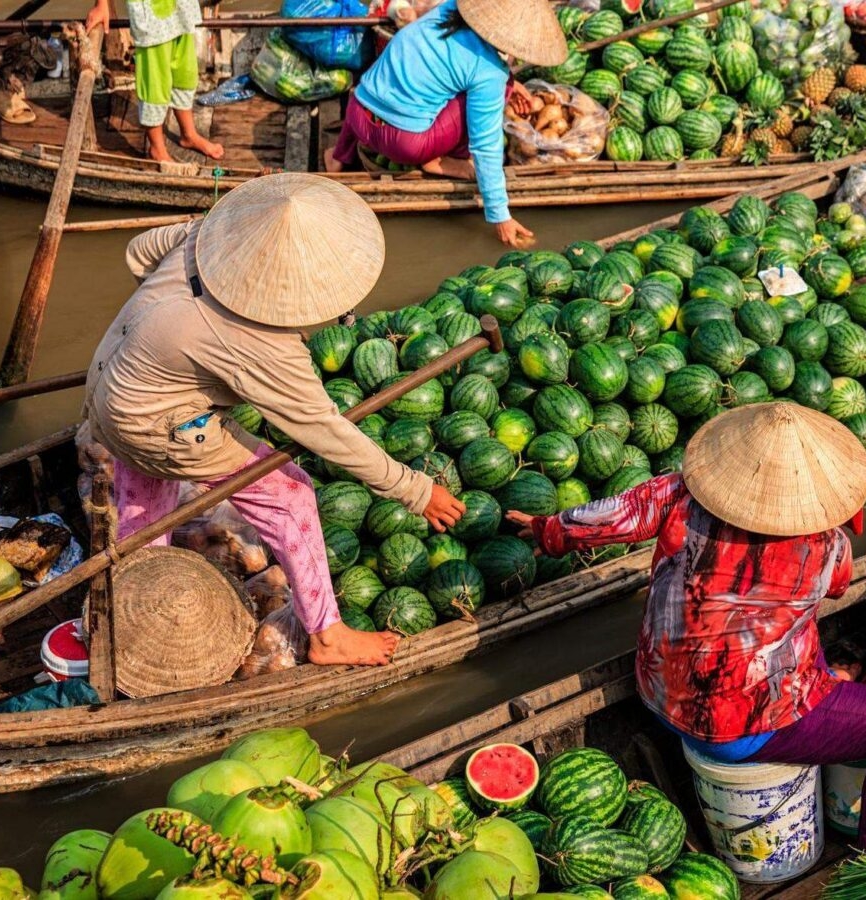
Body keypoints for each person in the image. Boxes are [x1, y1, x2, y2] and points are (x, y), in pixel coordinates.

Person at [506, 403, 866, 847]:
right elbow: (835, 590)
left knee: (803, 643)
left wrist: (546, 531)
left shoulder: (678, 494)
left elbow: (612, 516)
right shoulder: (828, 550)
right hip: (739, 729)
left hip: (659, 694)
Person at [78, 172, 465, 667]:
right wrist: (414, 489)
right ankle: (328, 635)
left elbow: (139, 251)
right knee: (292, 495)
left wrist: (174, 336)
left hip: (110, 381)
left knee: (148, 497)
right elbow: (322, 429)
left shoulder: (203, 237)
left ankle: (138, 599)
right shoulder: (264, 347)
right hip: (159, 425)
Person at [324, 0, 567, 248]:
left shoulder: (447, 10)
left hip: (358, 109)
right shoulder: (490, 72)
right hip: (404, 144)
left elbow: (445, 59)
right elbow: (486, 143)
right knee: (497, 90)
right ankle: (445, 160)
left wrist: (509, 81)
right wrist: (500, 216)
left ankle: (338, 157)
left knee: (388, 86)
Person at [86, 0, 225, 162]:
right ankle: (157, 148)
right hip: (151, 20)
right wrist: (101, 5)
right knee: (155, 84)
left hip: (181, 10)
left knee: (185, 74)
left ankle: (189, 134)